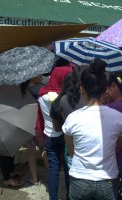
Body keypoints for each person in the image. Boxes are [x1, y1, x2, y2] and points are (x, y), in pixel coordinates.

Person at [62, 59, 122, 200]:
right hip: (108, 180)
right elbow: (117, 148)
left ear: (81, 89)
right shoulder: (118, 117)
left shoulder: (73, 118)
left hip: (80, 179)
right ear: (104, 88)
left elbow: (71, 152)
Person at [36, 66, 72, 200]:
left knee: (53, 170)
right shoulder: (65, 98)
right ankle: (69, 196)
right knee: (68, 168)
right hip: (64, 137)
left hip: (49, 136)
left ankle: (53, 197)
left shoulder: (41, 94)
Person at [102, 72, 122, 200]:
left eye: (104, 90)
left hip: (114, 159)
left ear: (113, 86)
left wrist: (101, 104)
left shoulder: (111, 108)